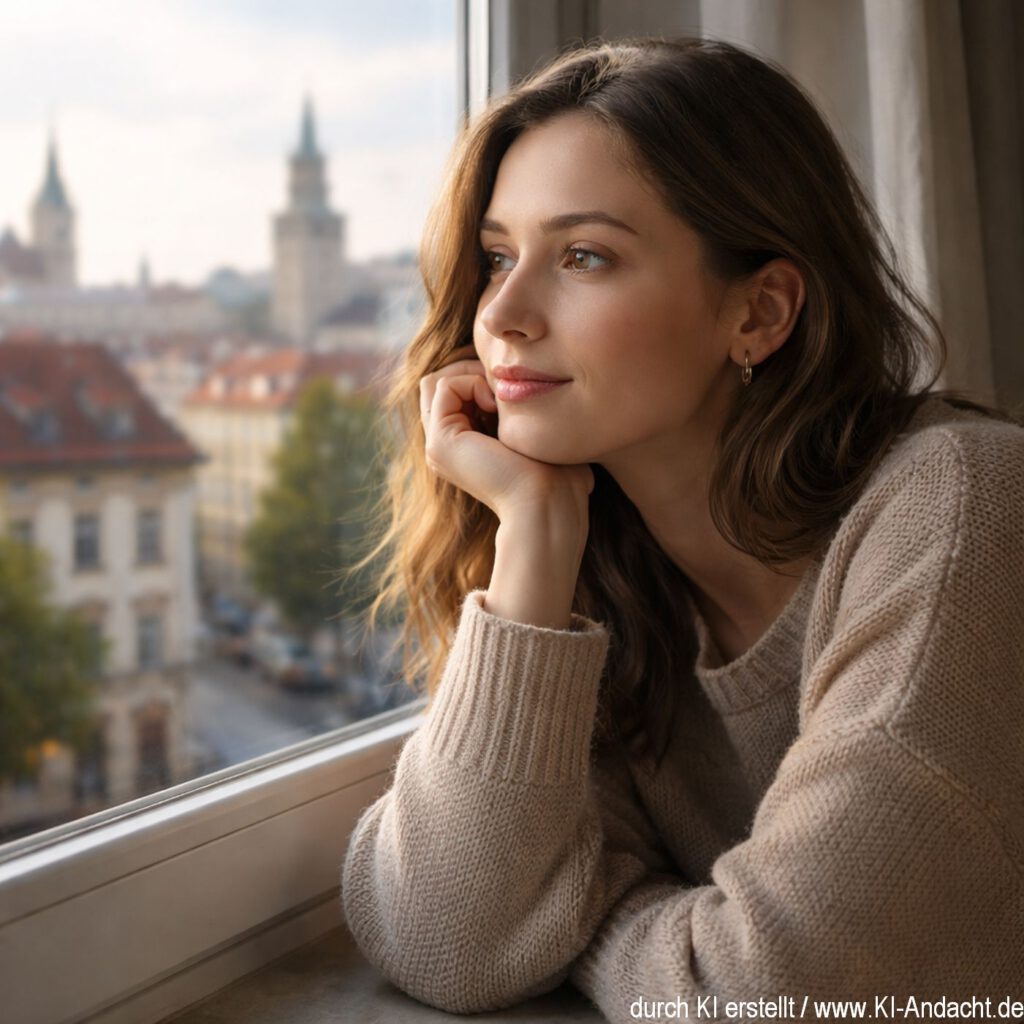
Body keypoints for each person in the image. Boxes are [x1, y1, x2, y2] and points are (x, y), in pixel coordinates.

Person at [341, 37, 1024, 1022]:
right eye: (496, 256)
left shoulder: (963, 509)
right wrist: (533, 535)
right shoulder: (606, 576)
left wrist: (593, 917)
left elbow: (773, 993)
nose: (502, 314)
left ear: (758, 312)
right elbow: (444, 937)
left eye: (583, 256)